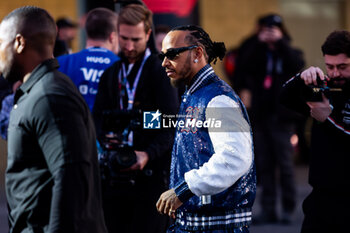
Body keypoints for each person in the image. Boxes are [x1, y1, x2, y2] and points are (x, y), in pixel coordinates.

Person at [0, 6, 107, 233]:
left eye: (1, 43)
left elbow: (71, 179)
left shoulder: (49, 96)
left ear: (19, 43)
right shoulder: (36, 92)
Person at [156, 25, 256, 233]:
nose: (165, 62)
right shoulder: (194, 94)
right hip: (195, 225)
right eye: (162, 56)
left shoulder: (218, 99)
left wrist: (183, 190)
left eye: (172, 54)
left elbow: (234, 158)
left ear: (197, 53)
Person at [92, 4, 179, 233]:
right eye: (124, 38)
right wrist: (105, 135)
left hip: (151, 179)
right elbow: (97, 117)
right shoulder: (111, 73)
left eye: (136, 39)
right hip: (114, 177)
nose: (129, 46)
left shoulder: (161, 71)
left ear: (148, 34)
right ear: (116, 34)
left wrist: (146, 152)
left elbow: (172, 121)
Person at [232, 13, 305, 224]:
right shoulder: (255, 50)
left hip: (282, 118)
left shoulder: (289, 51)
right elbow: (241, 69)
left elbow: (297, 64)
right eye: (265, 28)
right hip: (260, 117)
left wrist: (280, 42)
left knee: (285, 166)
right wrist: (259, 43)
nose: (269, 32)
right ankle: (268, 208)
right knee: (263, 165)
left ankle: (289, 208)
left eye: (274, 29)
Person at [281, 30, 350, 233]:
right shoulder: (324, 88)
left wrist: (327, 119)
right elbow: (284, 97)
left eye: (343, 67)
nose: (335, 73)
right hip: (321, 198)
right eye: (330, 66)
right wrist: (301, 77)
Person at [57, 7, 120, 111]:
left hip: (68, 125)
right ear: (112, 36)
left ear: (87, 31)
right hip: (107, 126)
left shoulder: (61, 63)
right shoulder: (122, 67)